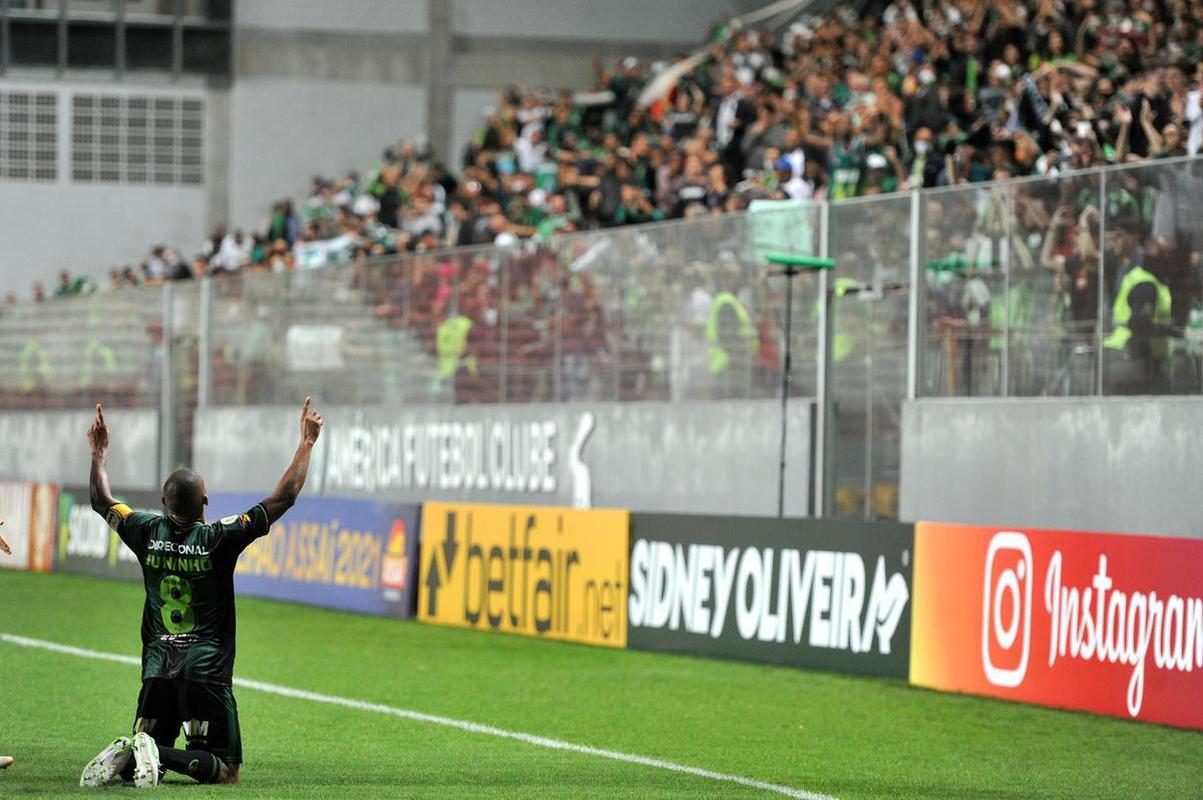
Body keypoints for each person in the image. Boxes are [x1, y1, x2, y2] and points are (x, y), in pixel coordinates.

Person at [78, 398, 324, 788]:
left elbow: (100, 500)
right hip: (205, 672)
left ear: (164, 503)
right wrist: (306, 444)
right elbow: (283, 498)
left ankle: (135, 752)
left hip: (157, 669)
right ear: (205, 501)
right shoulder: (218, 538)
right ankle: (154, 751)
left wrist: (98, 453)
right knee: (226, 770)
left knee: (147, 759)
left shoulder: (144, 530)